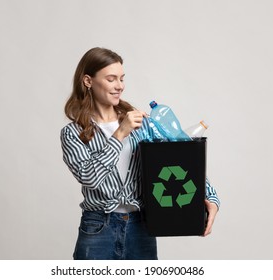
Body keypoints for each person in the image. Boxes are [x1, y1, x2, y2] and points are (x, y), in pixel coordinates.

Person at [60, 47, 220, 260]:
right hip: (98, 228)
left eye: (122, 79)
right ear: (88, 81)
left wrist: (209, 195)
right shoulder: (73, 133)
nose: (119, 86)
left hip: (141, 227)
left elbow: (177, 155)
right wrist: (120, 133)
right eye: (111, 79)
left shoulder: (141, 124)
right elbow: (90, 177)